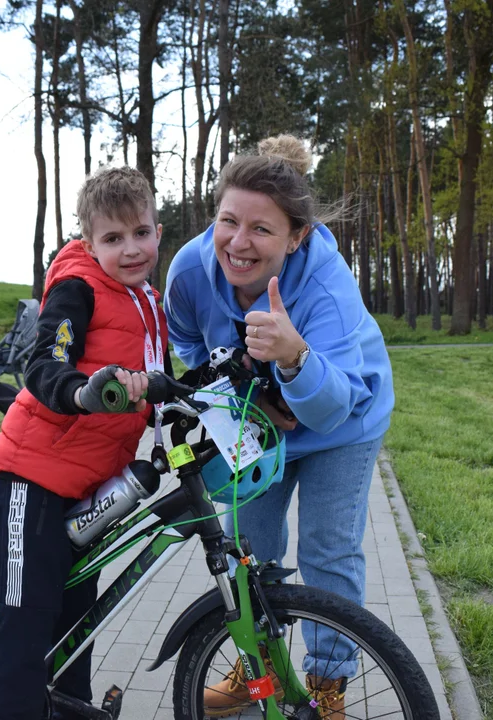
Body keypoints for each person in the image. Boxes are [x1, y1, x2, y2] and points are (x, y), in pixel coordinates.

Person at [165, 135, 394, 718]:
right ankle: (255, 664)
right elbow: (186, 342)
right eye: (227, 221)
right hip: (256, 421)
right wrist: (243, 396)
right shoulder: (191, 270)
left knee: (328, 550)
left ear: (297, 237)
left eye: (262, 230)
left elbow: (330, 408)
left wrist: (293, 359)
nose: (238, 243)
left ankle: (327, 684)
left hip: (342, 422)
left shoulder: (325, 287)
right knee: (247, 545)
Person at [0, 166, 167, 720]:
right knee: (28, 619)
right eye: (113, 238)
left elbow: (158, 377)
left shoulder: (146, 300)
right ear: (89, 242)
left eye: (141, 233)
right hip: (33, 475)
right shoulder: (77, 288)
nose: (130, 249)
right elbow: (45, 361)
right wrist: (82, 393)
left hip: (87, 480)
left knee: (76, 618)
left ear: (159, 230)